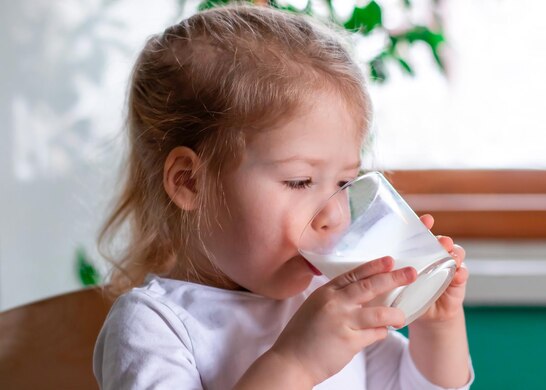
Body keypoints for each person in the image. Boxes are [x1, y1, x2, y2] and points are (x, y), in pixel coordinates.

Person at [93, 4, 473, 389]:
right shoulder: (154, 325)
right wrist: (296, 365)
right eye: (299, 181)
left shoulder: (326, 300)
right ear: (191, 182)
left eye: (344, 183)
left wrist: (437, 327)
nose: (335, 215)